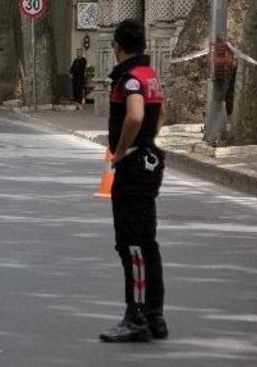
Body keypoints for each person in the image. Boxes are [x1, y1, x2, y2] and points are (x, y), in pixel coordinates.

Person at [99, 19, 168, 343]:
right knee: (147, 241)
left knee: (131, 243)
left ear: (118, 47)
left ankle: (136, 315)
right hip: (151, 160)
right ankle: (155, 314)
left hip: (134, 165)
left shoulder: (129, 79)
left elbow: (136, 115)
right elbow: (158, 115)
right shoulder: (150, 75)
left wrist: (121, 152)